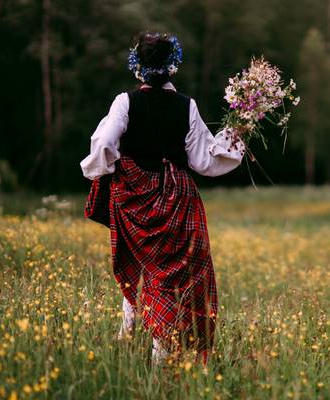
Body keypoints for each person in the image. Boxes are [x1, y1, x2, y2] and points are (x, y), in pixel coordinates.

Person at [80, 32, 244, 365]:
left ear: (137, 66)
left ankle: (137, 340)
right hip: (177, 199)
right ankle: (154, 349)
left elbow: (105, 145)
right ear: (173, 67)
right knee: (170, 276)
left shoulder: (124, 102)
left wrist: (120, 169)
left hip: (135, 199)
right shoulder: (187, 105)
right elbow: (204, 160)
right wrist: (237, 134)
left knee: (142, 266)